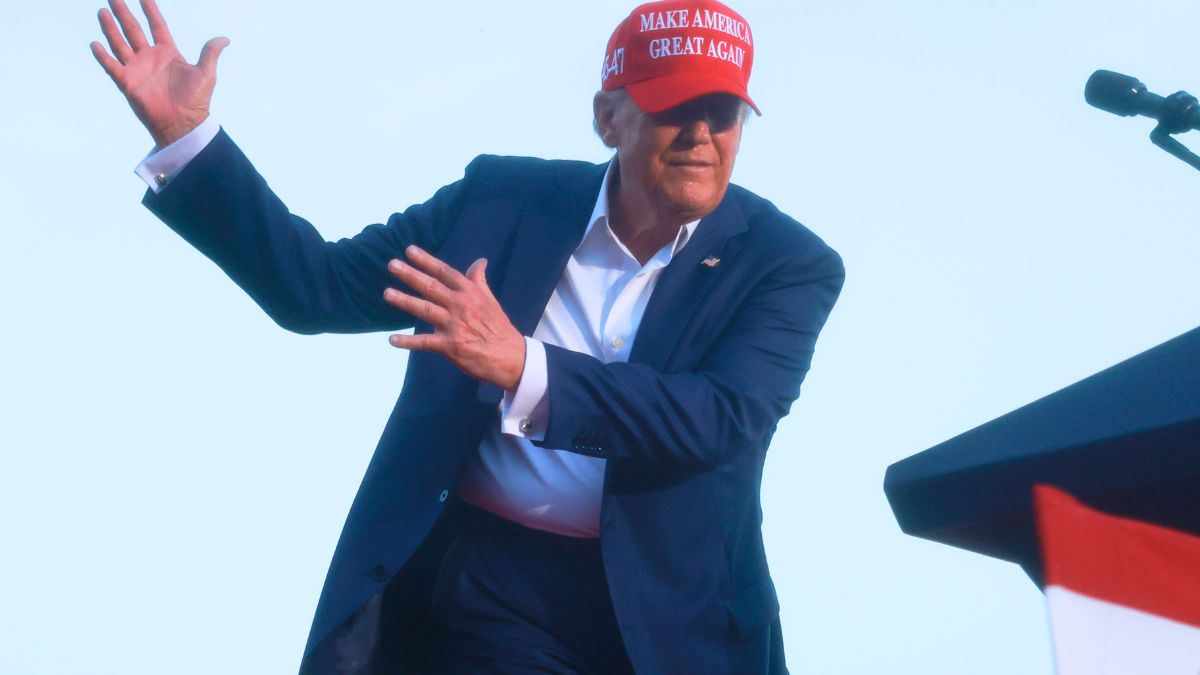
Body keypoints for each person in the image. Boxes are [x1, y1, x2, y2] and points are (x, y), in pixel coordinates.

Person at [92, 0, 844, 672]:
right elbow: (312, 286)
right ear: (608, 117)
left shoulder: (787, 263)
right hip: (495, 595)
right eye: (676, 106)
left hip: (678, 621)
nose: (702, 135)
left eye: (725, 112)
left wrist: (525, 366)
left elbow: (720, 417)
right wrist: (190, 141)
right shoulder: (500, 204)